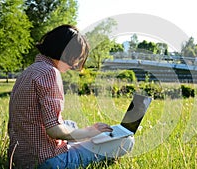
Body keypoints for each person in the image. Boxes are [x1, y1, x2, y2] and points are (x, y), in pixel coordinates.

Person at [8, 24, 134, 169]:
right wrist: (89, 132)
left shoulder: (29, 71)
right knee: (127, 141)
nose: (75, 65)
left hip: (21, 158)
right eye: (77, 58)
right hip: (47, 161)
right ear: (67, 53)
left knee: (71, 124)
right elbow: (54, 130)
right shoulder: (50, 73)